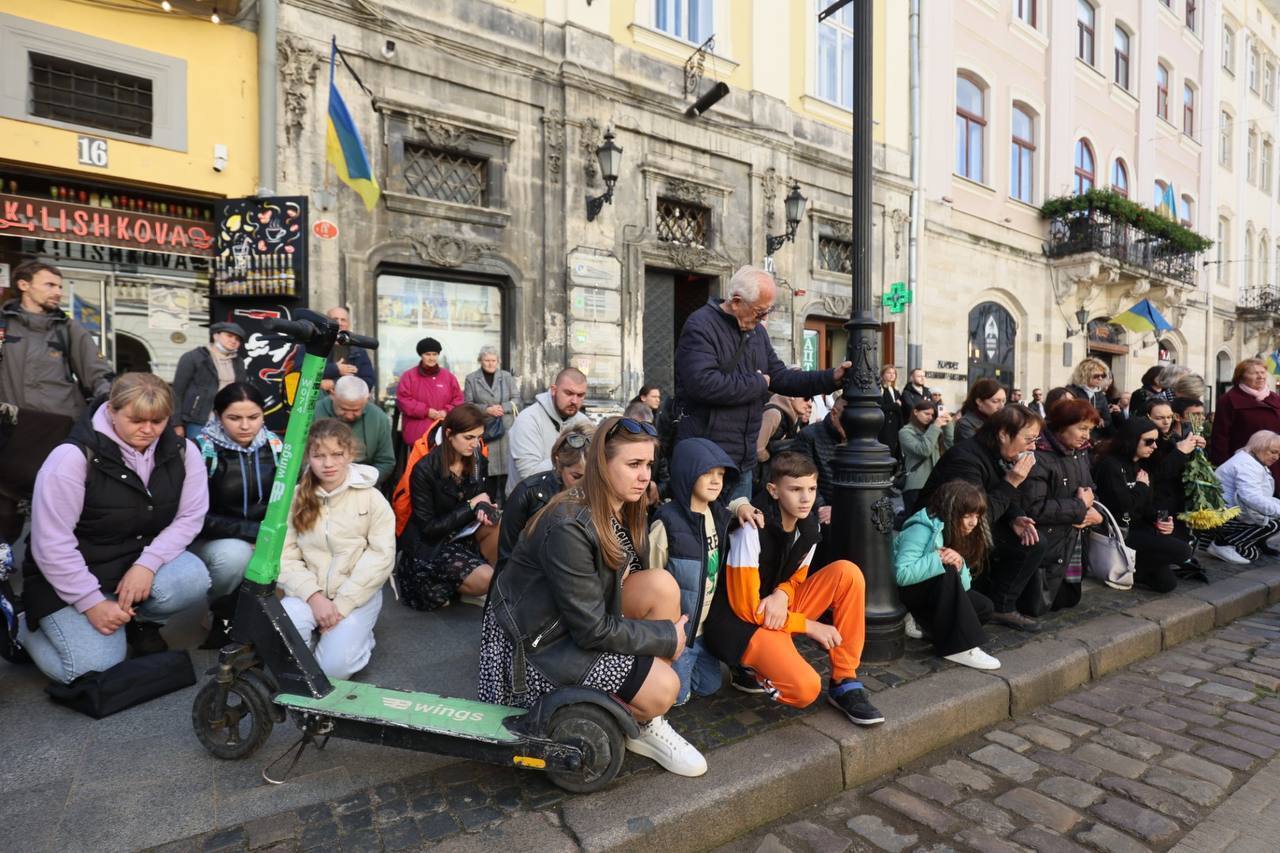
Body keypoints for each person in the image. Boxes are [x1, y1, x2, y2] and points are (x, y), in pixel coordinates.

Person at [479, 415, 706, 777]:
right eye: (633, 464)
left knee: (661, 585)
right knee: (667, 687)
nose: (645, 475)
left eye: (648, 464)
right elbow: (590, 631)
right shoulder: (569, 521)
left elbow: (616, 592)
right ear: (602, 465)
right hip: (537, 646)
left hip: (574, 619)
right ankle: (643, 706)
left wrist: (660, 639)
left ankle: (645, 719)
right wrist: (666, 638)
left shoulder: (625, 505)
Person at [18, 373, 212, 684]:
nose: (148, 430)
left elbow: (190, 516)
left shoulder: (184, 452)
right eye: (136, 420)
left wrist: (147, 564)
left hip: (134, 560)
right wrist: (91, 602)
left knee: (192, 577)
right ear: (111, 411)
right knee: (90, 670)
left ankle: (138, 623)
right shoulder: (71, 458)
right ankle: (23, 629)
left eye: (158, 421)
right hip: (71, 571)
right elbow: (50, 544)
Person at [702, 452, 884, 726]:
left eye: (811, 489)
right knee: (805, 689)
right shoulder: (750, 530)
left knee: (848, 573)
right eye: (795, 489)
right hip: (741, 625)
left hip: (774, 610)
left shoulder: (808, 526)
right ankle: (750, 667)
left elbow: (798, 577)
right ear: (774, 491)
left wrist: (782, 593)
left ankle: (844, 680)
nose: (806, 498)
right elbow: (746, 608)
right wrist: (809, 626)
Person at [674, 265, 847, 504]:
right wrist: (757, 382)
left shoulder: (757, 333)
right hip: (707, 461)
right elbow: (702, 384)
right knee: (707, 538)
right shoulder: (700, 325)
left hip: (743, 462)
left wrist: (830, 378)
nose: (764, 318)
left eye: (768, 311)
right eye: (759, 312)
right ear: (736, 302)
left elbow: (782, 377)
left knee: (740, 535)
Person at [0, 260, 114, 542]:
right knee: (6, 510)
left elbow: (98, 375)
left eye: (60, 286)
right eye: (50, 284)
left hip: (57, 431)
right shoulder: (2, 326)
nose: (58, 292)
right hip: (12, 431)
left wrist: (114, 410)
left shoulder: (68, 329)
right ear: (24, 285)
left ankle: (48, 571)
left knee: (53, 509)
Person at [278, 419, 395, 680]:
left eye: (337, 454)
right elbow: (285, 555)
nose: (328, 463)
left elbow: (381, 557)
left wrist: (340, 606)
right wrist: (314, 597)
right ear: (308, 456)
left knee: (333, 670)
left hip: (355, 594)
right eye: (319, 456)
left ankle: (360, 639)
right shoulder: (296, 498)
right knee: (282, 638)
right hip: (308, 592)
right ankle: (325, 638)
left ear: (350, 454)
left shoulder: (371, 497)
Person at [917, 405, 1044, 633]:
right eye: (1028, 439)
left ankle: (1003, 606)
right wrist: (1013, 481)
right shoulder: (966, 458)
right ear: (1003, 434)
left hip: (974, 525)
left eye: (1035, 440)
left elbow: (1003, 496)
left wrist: (1015, 517)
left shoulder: (999, 455)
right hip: (944, 532)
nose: (1032, 447)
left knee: (1031, 540)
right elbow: (978, 517)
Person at [649, 438, 756, 705]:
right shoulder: (667, 521)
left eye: (720, 474)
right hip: (678, 632)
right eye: (706, 473)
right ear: (687, 474)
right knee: (678, 698)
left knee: (709, 686)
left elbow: (735, 506)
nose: (715, 481)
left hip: (703, 629)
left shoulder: (717, 514)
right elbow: (650, 577)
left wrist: (742, 505)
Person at [191, 383, 282, 647]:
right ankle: (215, 610)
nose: (245, 426)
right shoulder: (201, 451)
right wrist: (253, 533)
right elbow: (195, 516)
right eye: (234, 418)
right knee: (235, 557)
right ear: (218, 416)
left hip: (264, 535)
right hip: (213, 539)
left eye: (253, 417)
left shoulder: (277, 447)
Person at [397, 404, 495, 610]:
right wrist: (471, 505)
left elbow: (481, 496)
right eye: (469, 438)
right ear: (449, 434)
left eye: (479, 437)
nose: (475, 444)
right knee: (488, 578)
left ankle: (470, 584)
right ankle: (463, 585)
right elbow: (428, 528)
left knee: (498, 525)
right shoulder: (424, 468)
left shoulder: (478, 460)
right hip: (430, 547)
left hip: (461, 534)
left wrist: (485, 508)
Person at [894, 481, 998, 670]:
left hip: (929, 594)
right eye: (967, 516)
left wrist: (959, 563)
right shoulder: (921, 529)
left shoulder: (953, 530)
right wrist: (938, 559)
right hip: (904, 593)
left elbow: (963, 588)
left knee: (984, 608)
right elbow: (900, 574)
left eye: (976, 516)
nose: (973, 522)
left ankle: (922, 625)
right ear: (951, 512)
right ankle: (959, 647)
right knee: (947, 570)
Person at [1020, 399, 1103, 615]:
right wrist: (1079, 506)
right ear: (1061, 425)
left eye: (1090, 429)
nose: (1086, 435)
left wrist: (1095, 512)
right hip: (1049, 541)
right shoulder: (1039, 455)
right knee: (1045, 603)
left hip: (1073, 538)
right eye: (1081, 428)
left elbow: (1090, 490)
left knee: (1069, 599)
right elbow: (1034, 508)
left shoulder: (1079, 452)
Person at [1093, 417, 1189, 593]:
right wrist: (1141, 488)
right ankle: (1129, 565)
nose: (1154, 446)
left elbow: (1145, 506)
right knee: (1183, 551)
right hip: (1119, 532)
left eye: (1156, 441)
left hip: (1138, 528)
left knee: (1166, 584)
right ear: (1131, 440)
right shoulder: (1110, 465)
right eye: (1149, 441)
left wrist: (1160, 519)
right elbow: (1123, 506)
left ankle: (1135, 568)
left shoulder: (1142, 465)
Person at [497, 423, 593, 572]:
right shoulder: (528, 493)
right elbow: (506, 558)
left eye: (592, 477)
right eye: (576, 476)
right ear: (559, 464)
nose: (584, 485)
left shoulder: (605, 494)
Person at [504, 367, 591, 494]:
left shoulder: (583, 422)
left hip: (567, 502)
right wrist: (566, 459)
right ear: (554, 390)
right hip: (528, 505)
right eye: (568, 393)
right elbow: (529, 475)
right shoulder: (528, 419)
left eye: (580, 395)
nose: (574, 401)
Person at [1210, 430, 1280, 564]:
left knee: (1273, 517)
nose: (1276, 457)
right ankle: (1223, 544)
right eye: (1273, 452)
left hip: (1236, 509)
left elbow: (1259, 495)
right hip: (1225, 514)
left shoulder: (1251, 460)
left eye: (1279, 454)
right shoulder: (1246, 464)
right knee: (1271, 526)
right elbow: (1251, 497)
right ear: (1259, 447)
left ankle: (1255, 543)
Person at [1209, 359, 1280, 488]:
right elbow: (1220, 436)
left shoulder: (1275, 398)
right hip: (1246, 464)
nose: (1260, 376)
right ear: (1241, 376)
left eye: (1263, 372)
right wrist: (1222, 465)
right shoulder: (1229, 400)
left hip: (1276, 462)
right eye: (1255, 373)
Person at [172, 321, 247, 442]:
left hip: (228, 420)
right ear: (216, 335)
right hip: (198, 419)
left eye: (238, 339)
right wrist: (176, 423)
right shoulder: (193, 357)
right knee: (198, 455)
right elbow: (176, 392)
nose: (234, 341)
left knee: (224, 457)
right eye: (229, 336)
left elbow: (241, 390)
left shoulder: (238, 362)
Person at [316, 375, 396, 487]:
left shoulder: (378, 418)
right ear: (333, 395)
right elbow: (300, 459)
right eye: (343, 409)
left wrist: (363, 482)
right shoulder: (313, 414)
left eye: (356, 410)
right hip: (320, 483)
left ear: (366, 400)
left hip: (363, 484)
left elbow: (386, 462)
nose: (349, 416)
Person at [464, 345, 520, 500]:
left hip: (506, 429)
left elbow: (517, 399)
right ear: (480, 361)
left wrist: (503, 407)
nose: (490, 364)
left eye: (493, 360)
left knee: (507, 474)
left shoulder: (507, 377)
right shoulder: (471, 379)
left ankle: (506, 511)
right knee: (488, 474)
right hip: (485, 431)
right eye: (486, 360)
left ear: (498, 361)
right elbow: (467, 404)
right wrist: (487, 410)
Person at [395, 337, 464, 447]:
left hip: (443, 434)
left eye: (435, 354)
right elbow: (403, 401)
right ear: (421, 355)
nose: (432, 358)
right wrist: (426, 411)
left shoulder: (448, 377)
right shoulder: (408, 376)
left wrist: (446, 411)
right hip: (417, 436)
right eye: (427, 354)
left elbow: (458, 400)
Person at [899, 399, 954, 516]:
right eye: (926, 414)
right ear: (915, 412)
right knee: (915, 521)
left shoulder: (933, 430)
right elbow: (923, 450)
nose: (929, 417)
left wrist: (948, 425)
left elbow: (951, 446)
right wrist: (935, 426)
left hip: (936, 483)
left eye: (932, 415)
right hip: (916, 485)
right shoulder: (905, 432)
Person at [756, 394, 812, 486]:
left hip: (774, 473)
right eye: (806, 398)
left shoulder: (795, 417)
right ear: (791, 396)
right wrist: (770, 456)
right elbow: (758, 450)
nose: (809, 404)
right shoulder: (774, 413)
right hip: (759, 474)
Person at [319, 306, 375, 393]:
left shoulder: (358, 351)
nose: (339, 323)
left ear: (348, 324)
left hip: (350, 402)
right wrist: (335, 369)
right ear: (327, 322)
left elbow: (368, 382)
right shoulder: (315, 344)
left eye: (343, 320)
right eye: (335, 319)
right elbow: (300, 372)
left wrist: (335, 383)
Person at [1065, 357, 1113, 435]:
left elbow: (1107, 419)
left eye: (1103, 375)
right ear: (1085, 375)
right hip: (1074, 434)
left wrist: (1101, 422)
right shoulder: (1072, 391)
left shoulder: (1100, 395)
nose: (1100, 378)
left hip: (1094, 436)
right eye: (1096, 376)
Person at [955, 378, 1006, 442]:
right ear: (979, 402)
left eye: (1003, 401)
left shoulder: (1001, 421)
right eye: (995, 401)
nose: (1001, 406)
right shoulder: (965, 425)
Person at [878, 365, 904, 460]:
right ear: (882, 374)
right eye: (889, 373)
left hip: (895, 426)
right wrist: (895, 405)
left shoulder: (895, 390)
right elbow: (879, 407)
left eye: (894, 373)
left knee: (895, 451)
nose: (892, 375)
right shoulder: (880, 389)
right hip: (884, 425)